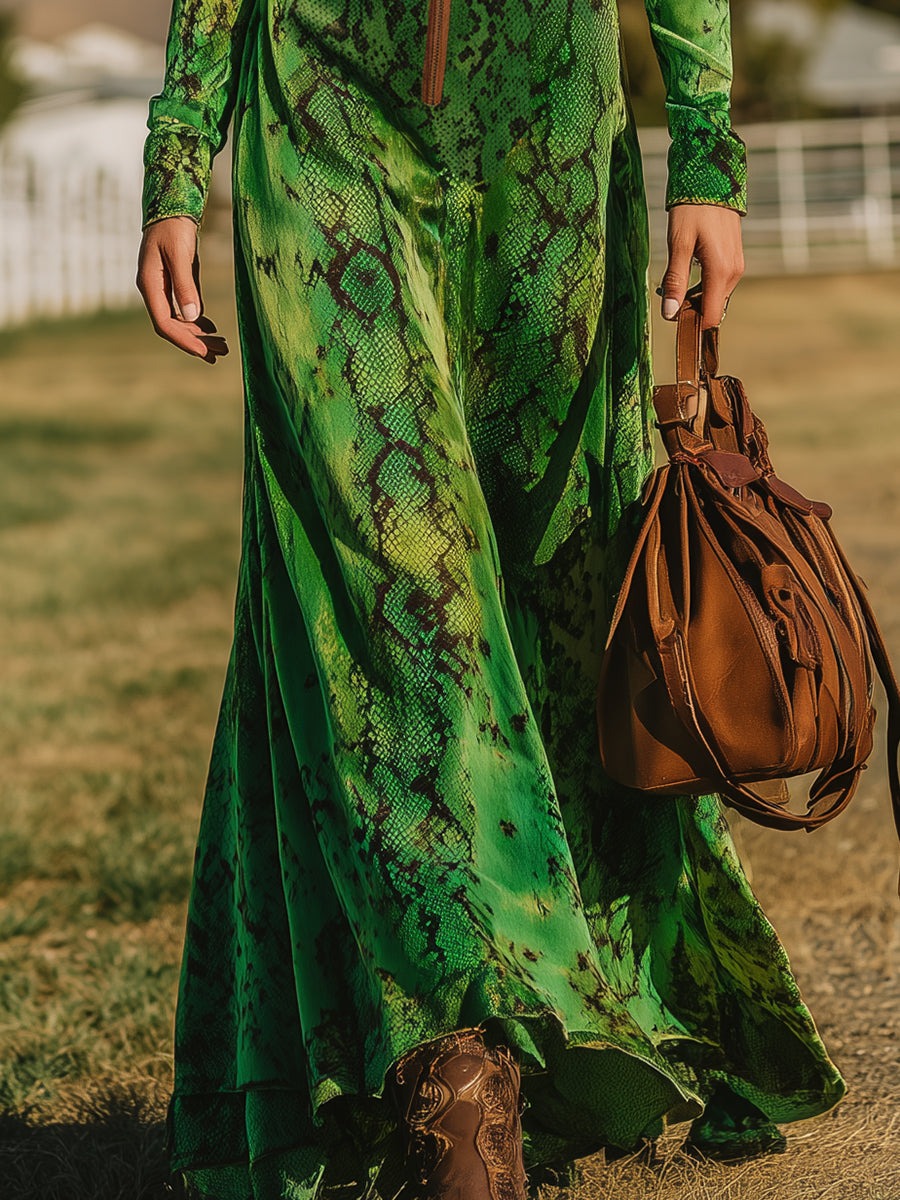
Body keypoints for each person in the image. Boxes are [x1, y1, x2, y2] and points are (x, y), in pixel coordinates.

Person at [136, 1, 846, 1196]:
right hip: (319, 109)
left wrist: (708, 143)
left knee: (565, 603)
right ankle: (455, 1080)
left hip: (550, 122)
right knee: (387, 602)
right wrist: (178, 147)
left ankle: (570, 1036)